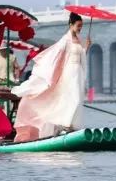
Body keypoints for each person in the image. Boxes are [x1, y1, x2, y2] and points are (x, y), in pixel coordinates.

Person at [11, 12, 90, 142]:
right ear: (71, 24)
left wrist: (86, 47)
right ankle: (66, 124)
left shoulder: (79, 40)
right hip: (69, 73)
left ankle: (71, 125)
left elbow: (80, 56)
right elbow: (56, 56)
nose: (80, 28)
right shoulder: (65, 40)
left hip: (78, 73)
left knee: (76, 99)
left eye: (81, 26)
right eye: (78, 26)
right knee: (73, 98)